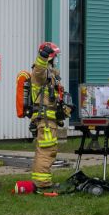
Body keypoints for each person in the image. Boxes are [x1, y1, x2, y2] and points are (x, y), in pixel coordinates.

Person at [29, 41, 64, 190]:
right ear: (50, 57)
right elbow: (39, 69)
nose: (56, 59)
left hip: (49, 120)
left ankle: (41, 182)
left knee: (47, 150)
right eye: (55, 56)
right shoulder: (41, 73)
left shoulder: (51, 75)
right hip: (45, 121)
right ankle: (42, 183)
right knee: (46, 151)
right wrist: (43, 56)